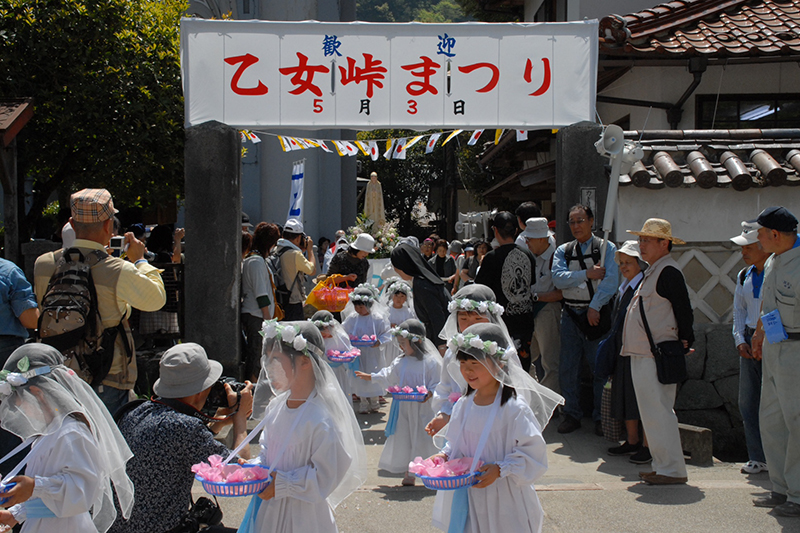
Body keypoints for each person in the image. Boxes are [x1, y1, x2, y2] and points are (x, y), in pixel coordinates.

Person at [33, 188, 166, 415]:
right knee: (109, 448)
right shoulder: (117, 269)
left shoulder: (44, 264)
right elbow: (156, 299)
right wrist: (141, 260)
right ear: (108, 226)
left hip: (61, 374)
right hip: (108, 376)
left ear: (72, 225)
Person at [430, 323, 563, 533]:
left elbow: (534, 454)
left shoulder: (514, 409)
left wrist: (501, 468)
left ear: (499, 364)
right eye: (463, 362)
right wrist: (443, 457)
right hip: (472, 496)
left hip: (507, 497)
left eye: (475, 362)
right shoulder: (464, 405)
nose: (467, 370)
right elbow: (455, 443)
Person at [110, 343, 253, 533]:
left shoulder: (136, 412)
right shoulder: (183, 427)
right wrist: (240, 419)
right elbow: (239, 469)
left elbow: (183, 446)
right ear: (199, 391)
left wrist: (220, 421)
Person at [239, 320, 367, 533]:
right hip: (270, 512)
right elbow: (269, 452)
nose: (269, 368)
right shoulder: (276, 406)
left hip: (305, 517)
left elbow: (326, 476)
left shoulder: (321, 417)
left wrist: (283, 484)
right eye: (268, 360)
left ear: (305, 361)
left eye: (276, 359)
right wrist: (254, 467)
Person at [0, 344, 134, 533]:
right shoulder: (47, 434)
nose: (18, 408)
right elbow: (56, 502)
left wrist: (35, 486)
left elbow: (81, 492)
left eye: (18, 400)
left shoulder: (71, 433)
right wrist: (18, 513)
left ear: (38, 394)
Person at [621, 218, 693, 485]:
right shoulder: (654, 270)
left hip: (657, 352)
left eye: (647, 240)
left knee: (660, 411)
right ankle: (662, 465)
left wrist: (686, 337)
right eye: (641, 240)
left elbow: (684, 309)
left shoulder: (669, 272)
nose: (642, 245)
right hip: (644, 352)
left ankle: (672, 469)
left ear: (664, 243)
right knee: (652, 412)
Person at [551, 204, 619, 435]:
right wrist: (587, 274)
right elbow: (558, 280)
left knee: (599, 365)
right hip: (570, 313)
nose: (576, 225)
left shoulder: (606, 248)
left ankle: (601, 416)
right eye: (572, 221)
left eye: (580, 220)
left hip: (596, 314)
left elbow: (610, 282)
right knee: (568, 367)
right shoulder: (563, 251)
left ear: (591, 221)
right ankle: (571, 414)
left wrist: (595, 306)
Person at [751, 206, 800, 516]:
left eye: (759, 232)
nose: (756, 238)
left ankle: (797, 493)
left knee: (796, 422)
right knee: (771, 419)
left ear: (774, 234)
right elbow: (767, 306)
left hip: (796, 350)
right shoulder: (771, 261)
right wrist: (758, 334)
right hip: (773, 345)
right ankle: (780, 488)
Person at [355, 319, 441, 486]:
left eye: (404, 343)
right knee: (405, 437)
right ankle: (409, 470)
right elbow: (389, 374)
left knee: (423, 437)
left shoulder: (431, 362)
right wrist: (371, 377)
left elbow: (439, 383)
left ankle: (430, 469)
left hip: (424, 408)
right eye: (400, 343)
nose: (401, 347)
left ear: (417, 342)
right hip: (404, 407)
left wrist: (430, 393)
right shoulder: (401, 361)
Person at [426, 283, 509, 436]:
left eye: (478, 318)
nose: (470, 325)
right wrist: (444, 413)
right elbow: (445, 386)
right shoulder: (452, 352)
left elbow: (513, 386)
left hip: (495, 424)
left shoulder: (501, 352)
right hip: (460, 424)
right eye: (463, 318)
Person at [604, 241, 650, 464]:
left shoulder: (644, 285)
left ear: (639, 264)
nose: (624, 267)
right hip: (623, 348)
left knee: (642, 399)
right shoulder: (625, 286)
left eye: (628, 263)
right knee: (624, 395)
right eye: (621, 263)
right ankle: (632, 440)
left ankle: (647, 445)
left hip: (640, 349)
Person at [730, 222, 770, 475]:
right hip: (747, 335)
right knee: (748, 401)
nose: (744, 252)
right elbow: (739, 309)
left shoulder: (776, 272)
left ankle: (777, 456)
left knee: (773, 403)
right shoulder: (744, 275)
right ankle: (757, 456)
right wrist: (739, 339)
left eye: (749, 247)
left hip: (773, 339)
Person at [475, 211, 537, 373]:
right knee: (522, 369)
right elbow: (532, 283)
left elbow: (480, 290)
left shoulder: (491, 258)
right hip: (525, 321)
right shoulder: (528, 255)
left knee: (501, 369)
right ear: (516, 231)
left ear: (495, 230)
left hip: (501, 325)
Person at [520, 217, 562, 391]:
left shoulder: (558, 257)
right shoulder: (528, 255)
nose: (527, 242)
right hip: (529, 312)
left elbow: (561, 293)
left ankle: (549, 404)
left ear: (541, 239)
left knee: (550, 361)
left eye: (529, 239)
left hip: (548, 311)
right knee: (524, 357)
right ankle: (533, 396)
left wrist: (536, 297)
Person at [342, 285, 393, 413]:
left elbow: (386, 332)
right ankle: (363, 401)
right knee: (359, 377)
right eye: (356, 307)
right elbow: (344, 331)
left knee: (373, 374)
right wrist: (349, 342)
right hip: (358, 354)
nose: (358, 310)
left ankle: (374, 401)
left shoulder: (377, 318)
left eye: (361, 306)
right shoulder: (352, 318)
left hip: (372, 353)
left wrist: (379, 341)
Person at [390, 243, 451, 349]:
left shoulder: (422, 285)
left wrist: (441, 346)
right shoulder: (424, 280)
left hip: (440, 339)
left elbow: (437, 316)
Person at [242, 222, 281, 381]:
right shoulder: (256, 261)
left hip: (258, 315)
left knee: (258, 352)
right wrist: (268, 319)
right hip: (257, 315)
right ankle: (251, 386)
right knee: (256, 352)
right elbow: (261, 294)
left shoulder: (254, 259)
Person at [273, 219, 316, 321]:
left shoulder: (276, 250)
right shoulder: (295, 254)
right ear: (298, 238)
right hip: (293, 301)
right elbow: (312, 270)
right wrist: (310, 250)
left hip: (279, 300)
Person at [311, 310, 357, 403]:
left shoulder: (341, 337)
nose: (322, 335)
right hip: (321, 371)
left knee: (339, 394)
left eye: (324, 332)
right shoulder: (316, 339)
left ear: (331, 327)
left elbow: (348, 350)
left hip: (337, 372)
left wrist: (346, 356)